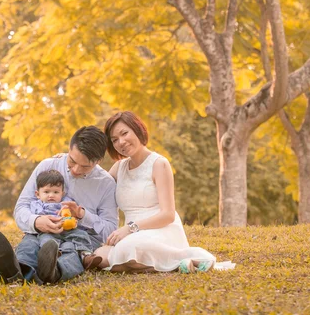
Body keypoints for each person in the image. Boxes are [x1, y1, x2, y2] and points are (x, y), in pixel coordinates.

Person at [0, 126, 118, 285]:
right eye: (72, 161)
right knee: (29, 244)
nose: (76, 170)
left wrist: (83, 215)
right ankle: (16, 271)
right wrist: (36, 222)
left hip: (77, 238)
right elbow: (22, 206)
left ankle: (53, 272)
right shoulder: (47, 166)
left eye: (85, 167)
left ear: (98, 161)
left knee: (72, 255)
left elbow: (110, 230)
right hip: (40, 233)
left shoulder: (106, 184)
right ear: (69, 149)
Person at [93, 111, 219, 273]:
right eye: (115, 140)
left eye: (124, 133)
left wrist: (130, 228)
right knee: (100, 255)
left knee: (128, 249)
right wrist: (68, 160)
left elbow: (168, 214)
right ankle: (178, 265)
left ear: (137, 129)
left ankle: (191, 258)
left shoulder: (159, 164)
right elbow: (97, 188)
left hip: (161, 229)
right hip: (132, 236)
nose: (121, 142)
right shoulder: (119, 168)